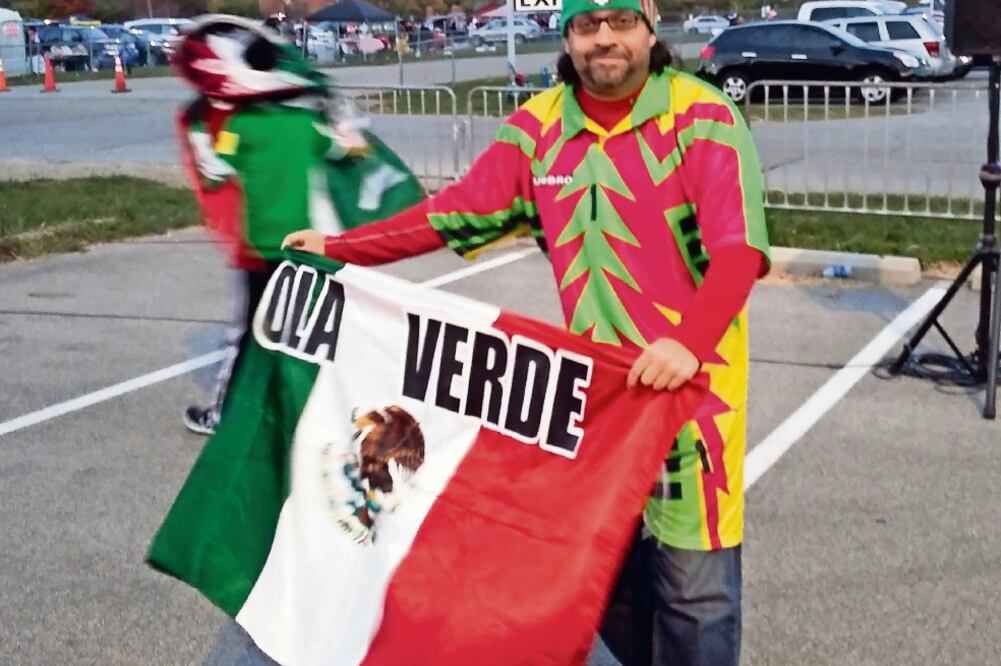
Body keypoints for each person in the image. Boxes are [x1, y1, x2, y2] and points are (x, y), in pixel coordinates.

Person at [284, 0, 769, 663]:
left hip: (694, 402)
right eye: (586, 24)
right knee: (611, 577)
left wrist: (687, 342)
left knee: (694, 593)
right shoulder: (536, 132)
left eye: (621, 21)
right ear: (566, 38)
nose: (604, 38)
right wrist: (340, 248)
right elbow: (448, 216)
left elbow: (737, 252)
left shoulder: (704, 118)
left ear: (649, 30)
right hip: (597, 405)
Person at [175, 16, 423, 435]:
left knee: (249, 337)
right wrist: (342, 120)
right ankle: (335, 415)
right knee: (315, 332)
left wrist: (201, 134)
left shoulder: (240, 126)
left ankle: (225, 413)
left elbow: (218, 172)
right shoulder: (306, 125)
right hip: (307, 247)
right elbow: (349, 152)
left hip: (259, 249)